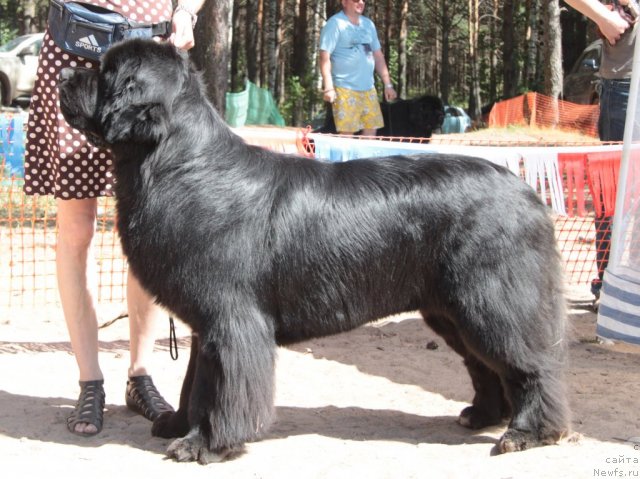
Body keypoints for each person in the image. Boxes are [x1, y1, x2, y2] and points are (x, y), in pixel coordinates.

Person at [22, 0, 203, 436]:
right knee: (76, 228)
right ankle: (90, 380)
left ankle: (140, 376)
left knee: (143, 224)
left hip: (147, 60)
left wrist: (187, 12)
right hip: (74, 52)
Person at [565, 0, 637, 305]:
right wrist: (604, 17)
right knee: (614, 189)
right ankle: (609, 287)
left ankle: (632, 284)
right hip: (627, 83)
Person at [319, 0, 397, 136]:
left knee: (372, 129)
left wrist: (388, 84)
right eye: (356, 0)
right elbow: (324, 56)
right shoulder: (335, 23)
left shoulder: (368, 24)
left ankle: (365, 158)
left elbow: (378, 55)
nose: (361, 3)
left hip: (368, 88)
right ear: (344, 2)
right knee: (347, 134)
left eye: (363, 0)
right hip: (345, 88)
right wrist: (329, 87)